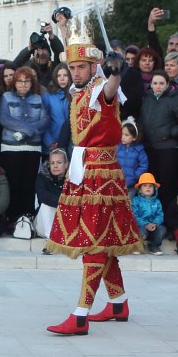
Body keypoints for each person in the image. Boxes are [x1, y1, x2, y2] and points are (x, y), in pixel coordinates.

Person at [44, 21, 142, 334]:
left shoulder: (101, 88)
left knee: (95, 240)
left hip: (102, 174)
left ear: (93, 66)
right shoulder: (80, 91)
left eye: (80, 67)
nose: (74, 71)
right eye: (71, 67)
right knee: (104, 239)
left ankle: (81, 313)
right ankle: (117, 303)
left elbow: (111, 91)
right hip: (84, 170)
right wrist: (62, 31)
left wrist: (115, 72)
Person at [0, 65, 47, 228]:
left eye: (27, 81)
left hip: (33, 148)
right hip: (11, 148)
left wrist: (27, 132)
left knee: (28, 184)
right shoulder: (6, 97)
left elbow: (44, 119)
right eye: (20, 81)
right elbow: (5, 119)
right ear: (14, 82)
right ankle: (12, 219)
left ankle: (27, 218)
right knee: (13, 183)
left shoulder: (38, 99)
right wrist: (27, 129)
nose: (23, 84)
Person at [140, 72, 178, 217]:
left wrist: (171, 132)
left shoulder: (175, 99)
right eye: (155, 83)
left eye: (161, 83)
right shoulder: (147, 99)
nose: (158, 86)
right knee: (151, 185)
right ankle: (153, 219)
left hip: (168, 148)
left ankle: (169, 220)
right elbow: (142, 119)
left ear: (167, 84)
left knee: (167, 186)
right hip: (150, 148)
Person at [34, 148, 67, 240]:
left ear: (66, 164)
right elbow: (43, 196)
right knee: (46, 205)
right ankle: (50, 241)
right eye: (52, 163)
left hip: (66, 220)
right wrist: (64, 202)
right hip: (44, 224)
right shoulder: (42, 177)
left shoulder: (72, 179)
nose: (55, 166)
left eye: (59, 162)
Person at [130, 172, 165, 254]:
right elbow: (134, 216)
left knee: (162, 229)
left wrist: (155, 223)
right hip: (142, 226)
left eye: (150, 186)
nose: (148, 188)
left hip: (153, 226)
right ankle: (139, 246)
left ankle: (154, 246)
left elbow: (160, 215)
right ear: (140, 190)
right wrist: (146, 224)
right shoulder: (135, 201)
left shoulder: (157, 202)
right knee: (140, 230)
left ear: (154, 189)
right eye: (144, 186)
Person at [116, 119, 149, 186]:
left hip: (131, 184)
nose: (123, 137)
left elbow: (144, 165)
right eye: (122, 134)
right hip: (117, 183)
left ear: (134, 137)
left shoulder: (139, 150)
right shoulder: (117, 147)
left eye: (126, 135)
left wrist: (135, 176)